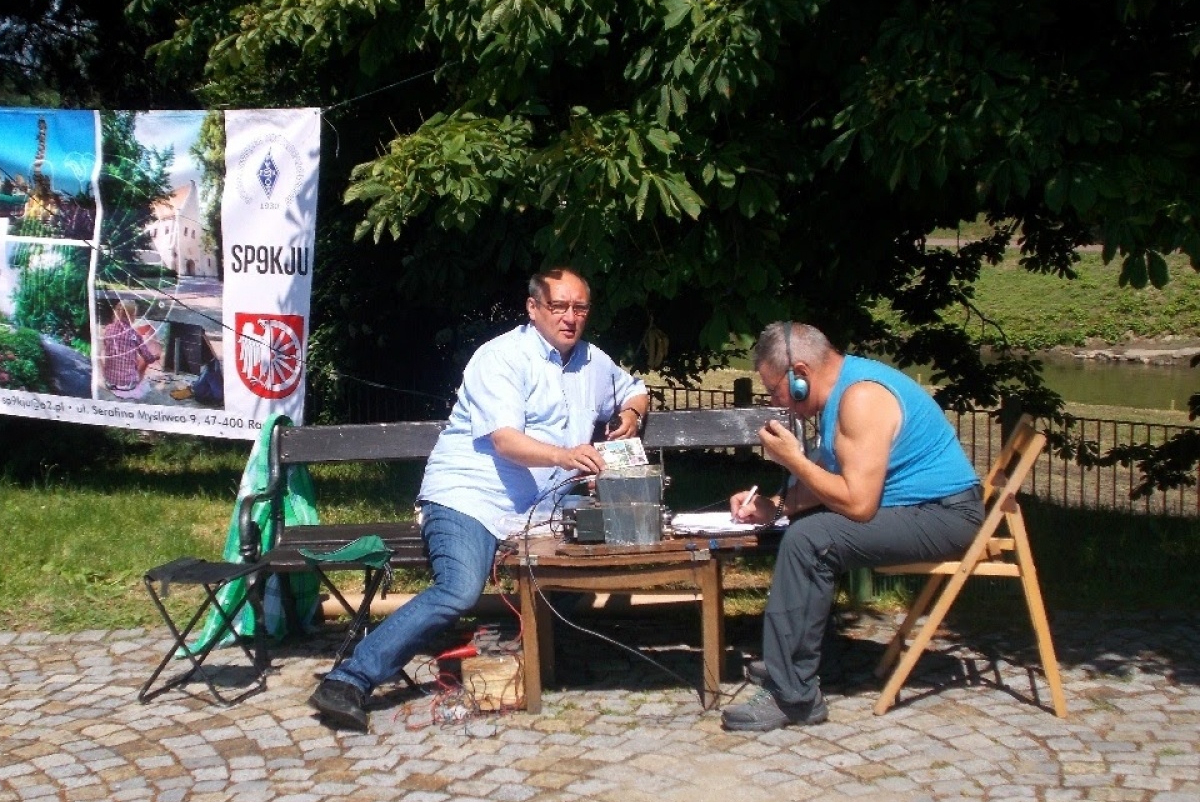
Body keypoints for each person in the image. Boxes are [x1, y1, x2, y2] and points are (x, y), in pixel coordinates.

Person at [308, 267, 650, 732]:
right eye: (559, 307)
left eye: (580, 308)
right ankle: (348, 680)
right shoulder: (502, 357)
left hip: (539, 508)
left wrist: (630, 413)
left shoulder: (593, 361)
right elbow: (507, 441)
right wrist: (568, 456)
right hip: (470, 495)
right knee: (460, 590)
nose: (570, 318)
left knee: (589, 558)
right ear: (534, 308)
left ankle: (532, 659)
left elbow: (635, 390)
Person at [722, 322, 983, 732]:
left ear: (801, 376)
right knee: (804, 528)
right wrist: (773, 507)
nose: (778, 403)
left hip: (946, 516)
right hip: (922, 509)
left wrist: (794, 461)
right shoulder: (842, 393)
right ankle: (788, 663)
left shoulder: (860, 398)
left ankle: (793, 696)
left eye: (776, 390)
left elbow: (858, 504)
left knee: (811, 540)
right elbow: (830, 483)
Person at [99, 295, 159, 395]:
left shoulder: (107, 329)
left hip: (109, 382)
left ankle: (113, 377)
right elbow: (149, 358)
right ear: (132, 316)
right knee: (143, 359)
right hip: (128, 385)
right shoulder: (134, 334)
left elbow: (107, 346)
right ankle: (134, 380)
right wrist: (156, 356)